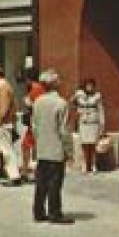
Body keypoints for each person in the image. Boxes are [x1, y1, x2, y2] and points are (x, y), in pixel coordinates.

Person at [30, 71, 73, 224]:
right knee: (55, 182)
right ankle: (55, 212)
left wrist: (38, 142)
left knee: (41, 181)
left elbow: (34, 126)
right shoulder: (61, 103)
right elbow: (64, 130)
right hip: (56, 148)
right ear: (55, 83)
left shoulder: (37, 102)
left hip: (42, 147)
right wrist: (69, 149)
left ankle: (38, 211)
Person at [71, 79, 105, 173]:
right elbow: (72, 102)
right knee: (84, 144)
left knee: (93, 144)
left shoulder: (97, 96)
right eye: (87, 85)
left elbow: (101, 110)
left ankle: (93, 164)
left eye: (91, 85)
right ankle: (85, 164)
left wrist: (102, 124)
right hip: (83, 122)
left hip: (94, 122)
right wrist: (76, 95)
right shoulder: (80, 95)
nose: (89, 87)